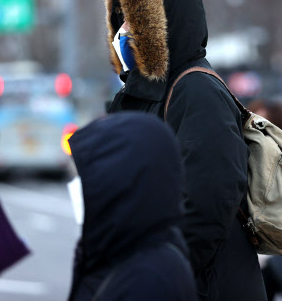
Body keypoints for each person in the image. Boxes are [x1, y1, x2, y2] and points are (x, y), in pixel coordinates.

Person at [101, 0, 266, 300]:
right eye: (124, 20)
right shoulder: (152, 91)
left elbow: (207, 203)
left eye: (137, 18)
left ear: (166, 20)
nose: (126, 30)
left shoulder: (196, 90)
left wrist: (160, 275)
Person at [67, 112, 197, 301]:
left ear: (118, 183)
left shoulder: (150, 278)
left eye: (88, 181)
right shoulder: (122, 249)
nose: (82, 191)